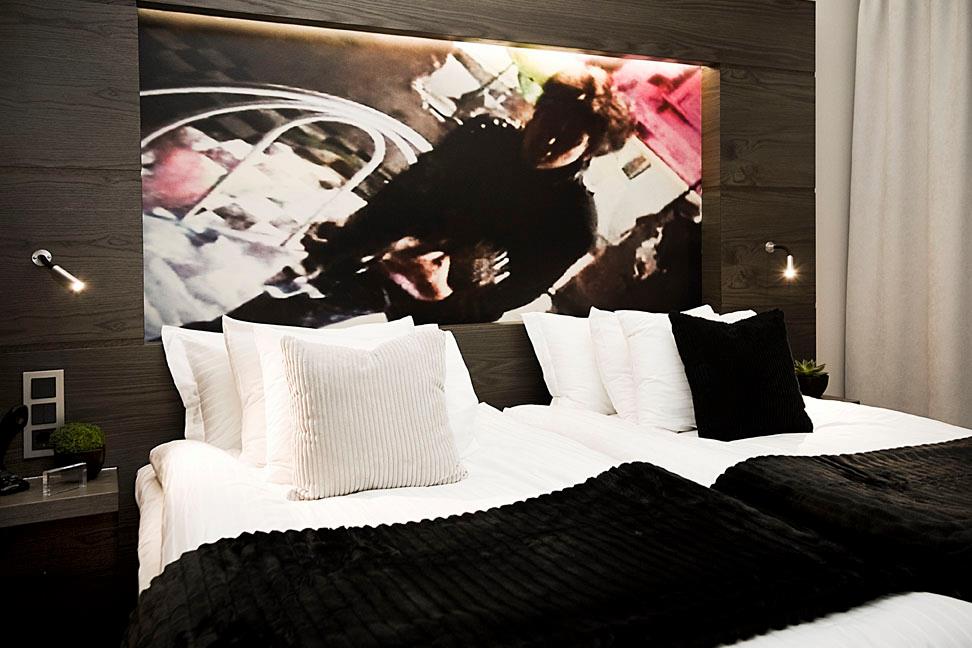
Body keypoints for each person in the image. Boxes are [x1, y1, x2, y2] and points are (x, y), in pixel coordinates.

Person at [215, 65, 635, 328]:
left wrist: (431, 305)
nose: (550, 140)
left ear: (589, 151)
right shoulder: (484, 138)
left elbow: (502, 301)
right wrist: (349, 239)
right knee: (259, 314)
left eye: (570, 137)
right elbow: (404, 194)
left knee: (298, 327)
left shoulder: (572, 222)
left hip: (426, 305)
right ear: (536, 112)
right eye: (550, 121)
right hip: (379, 250)